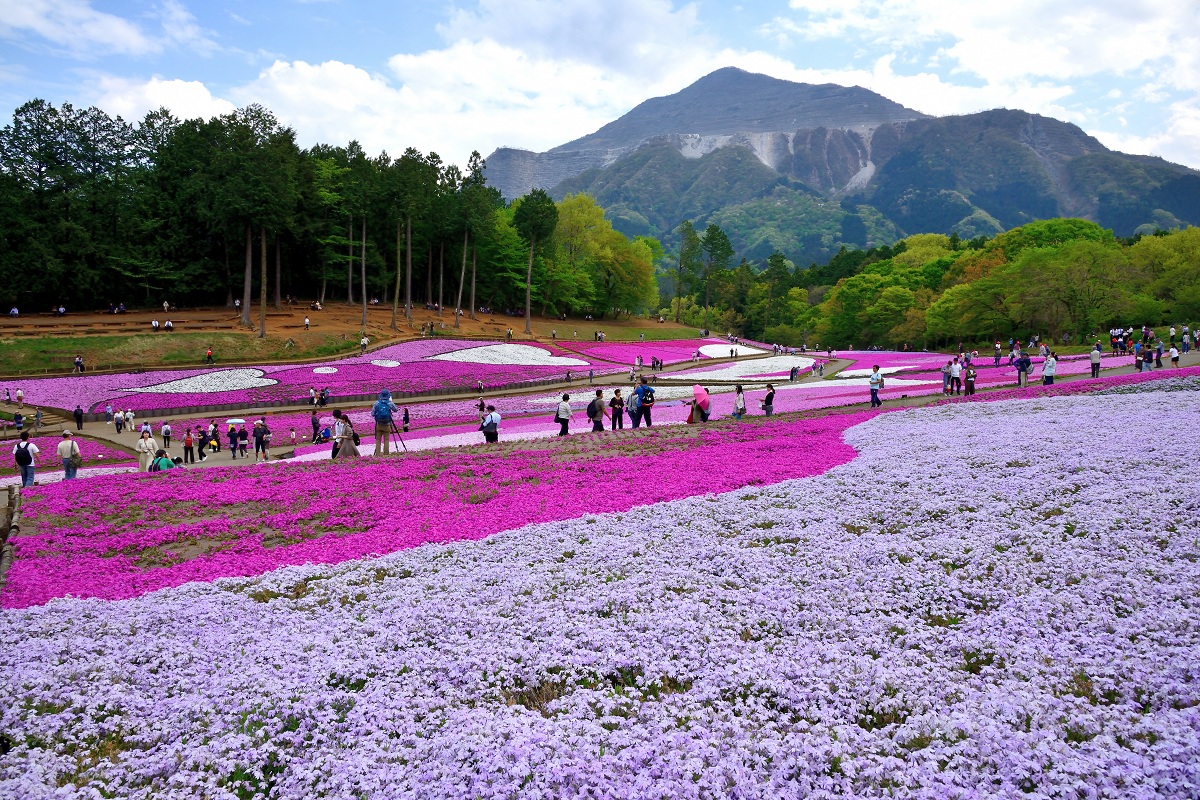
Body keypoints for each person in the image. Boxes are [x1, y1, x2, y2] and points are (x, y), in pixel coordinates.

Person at [372, 390, 399, 455]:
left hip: (379, 424)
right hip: (387, 425)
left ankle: (377, 454)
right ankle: (386, 454)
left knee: (378, 440)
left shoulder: (376, 403)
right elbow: (396, 409)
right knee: (386, 440)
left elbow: (372, 414)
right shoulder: (390, 403)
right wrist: (391, 402)